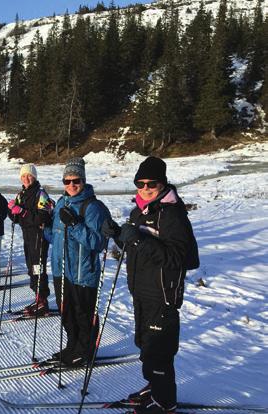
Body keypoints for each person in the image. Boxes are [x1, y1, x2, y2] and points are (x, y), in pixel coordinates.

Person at [102, 156, 199, 414]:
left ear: (163, 183)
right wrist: (116, 235)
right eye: (140, 183)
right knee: (145, 346)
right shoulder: (140, 211)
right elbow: (133, 249)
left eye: (151, 183)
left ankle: (165, 402)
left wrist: (140, 241)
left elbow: (181, 258)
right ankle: (154, 386)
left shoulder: (172, 214)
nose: (145, 188)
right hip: (141, 290)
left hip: (162, 294)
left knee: (159, 351)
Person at [44, 158, 109, 366]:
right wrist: (41, 226)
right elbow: (55, 236)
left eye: (76, 180)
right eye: (67, 181)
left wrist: (74, 224)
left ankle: (85, 350)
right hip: (60, 270)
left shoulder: (93, 208)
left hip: (83, 272)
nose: (71, 185)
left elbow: (98, 243)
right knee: (67, 313)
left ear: (83, 180)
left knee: (83, 314)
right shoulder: (61, 203)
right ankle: (73, 346)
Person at [8, 164, 53, 316]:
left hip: (39, 237)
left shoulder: (41, 194)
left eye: (29, 176)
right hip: (27, 236)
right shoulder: (21, 194)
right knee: (31, 269)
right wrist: (12, 211)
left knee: (38, 268)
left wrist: (21, 211)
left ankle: (43, 300)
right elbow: (16, 218)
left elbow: (43, 217)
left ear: (34, 177)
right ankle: (38, 298)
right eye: (23, 176)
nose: (26, 178)